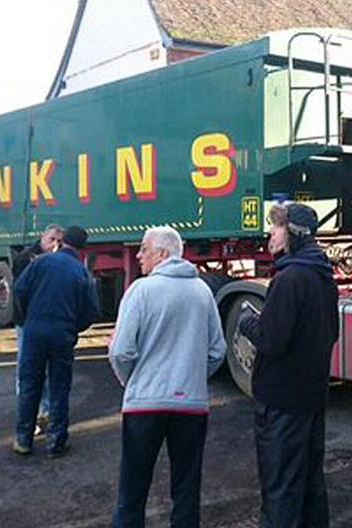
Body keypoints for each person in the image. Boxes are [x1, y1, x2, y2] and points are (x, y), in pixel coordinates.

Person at [109, 226, 226, 528]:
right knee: (186, 489)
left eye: (144, 249)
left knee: (132, 489)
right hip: (191, 406)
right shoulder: (202, 292)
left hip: (144, 406)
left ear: (162, 254)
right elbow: (217, 351)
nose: (138, 255)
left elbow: (121, 351)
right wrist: (193, 378)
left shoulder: (140, 291)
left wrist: (131, 380)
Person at [238, 202, 338, 528]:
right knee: (310, 482)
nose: (270, 233)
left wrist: (246, 322)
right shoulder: (323, 275)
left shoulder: (290, 279)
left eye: (276, 227)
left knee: (280, 486)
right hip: (312, 398)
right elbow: (331, 332)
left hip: (282, 402)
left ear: (293, 233)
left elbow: (271, 340)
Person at [12, 226, 100, 458]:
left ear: (61, 243)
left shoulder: (41, 263)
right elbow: (92, 311)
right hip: (62, 334)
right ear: (82, 250)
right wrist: (73, 327)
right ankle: (56, 443)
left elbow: (19, 289)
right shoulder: (81, 273)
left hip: (34, 331)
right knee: (59, 388)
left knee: (30, 384)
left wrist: (29, 316)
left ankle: (23, 440)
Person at [12, 224, 64, 431]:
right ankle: (28, 414)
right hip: (28, 322)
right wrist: (27, 318)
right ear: (42, 237)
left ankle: (46, 412)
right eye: (51, 239)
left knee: (49, 370)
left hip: (47, 322)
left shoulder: (59, 261)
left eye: (59, 241)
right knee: (27, 368)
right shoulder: (26, 258)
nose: (55, 244)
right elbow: (20, 292)